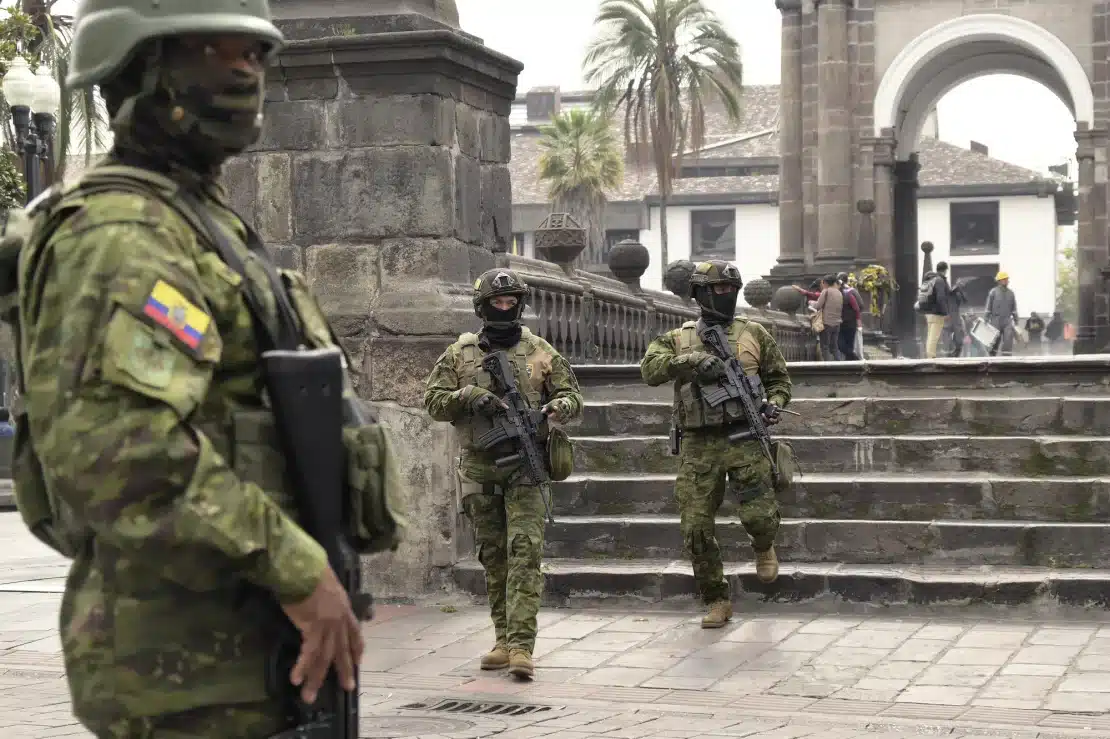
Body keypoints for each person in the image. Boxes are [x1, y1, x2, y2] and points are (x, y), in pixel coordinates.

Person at [5, 2, 372, 735]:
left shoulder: (196, 219)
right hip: (185, 678)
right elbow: (119, 454)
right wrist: (298, 571)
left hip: (241, 654)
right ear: (144, 67)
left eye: (256, 54)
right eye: (219, 48)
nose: (246, 70)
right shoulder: (119, 234)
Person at [424, 268, 582, 680]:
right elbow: (433, 402)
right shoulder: (459, 354)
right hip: (480, 466)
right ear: (482, 306)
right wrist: (470, 395)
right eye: (498, 302)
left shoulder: (541, 351)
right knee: (494, 557)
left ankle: (521, 647)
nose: (505, 308)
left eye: (512, 302)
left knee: (526, 553)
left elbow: (572, 396)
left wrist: (558, 408)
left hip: (527, 465)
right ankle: (502, 638)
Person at [640, 260, 792, 628]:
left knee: (758, 514)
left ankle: (763, 543)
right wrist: (690, 361)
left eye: (730, 290)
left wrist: (775, 404)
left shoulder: (754, 332)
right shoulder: (679, 337)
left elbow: (780, 380)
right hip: (699, 443)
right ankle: (716, 598)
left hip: (745, 436)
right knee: (695, 527)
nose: (724, 295)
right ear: (700, 294)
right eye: (717, 290)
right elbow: (649, 369)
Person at [918, 261, 951, 359]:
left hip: (928, 312)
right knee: (934, 336)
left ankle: (930, 354)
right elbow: (941, 298)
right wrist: (945, 313)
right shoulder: (939, 280)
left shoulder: (931, 280)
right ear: (945, 270)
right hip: (936, 312)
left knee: (930, 334)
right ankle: (931, 356)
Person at [986, 271, 1018, 356]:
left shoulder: (1011, 293)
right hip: (995, 319)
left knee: (1008, 340)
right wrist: (986, 319)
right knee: (994, 340)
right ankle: (991, 358)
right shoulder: (993, 292)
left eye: (1007, 279)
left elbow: (1014, 309)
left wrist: (1016, 321)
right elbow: (988, 307)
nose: (1007, 281)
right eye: (1005, 279)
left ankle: (1006, 359)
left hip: (1007, 320)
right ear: (999, 281)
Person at [836, 272, 863, 361]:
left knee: (847, 343)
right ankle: (852, 357)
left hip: (849, 322)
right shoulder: (851, 291)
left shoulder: (849, 293)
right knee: (843, 344)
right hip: (843, 322)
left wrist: (857, 319)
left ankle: (851, 362)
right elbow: (861, 306)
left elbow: (858, 307)